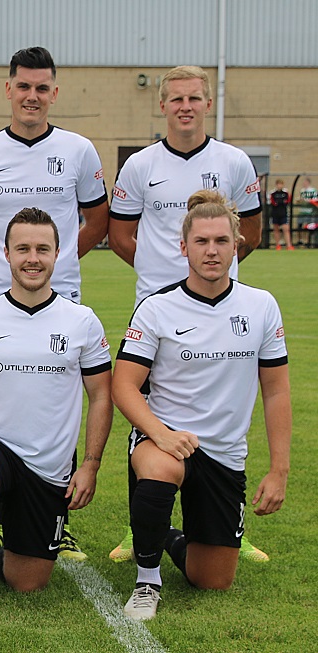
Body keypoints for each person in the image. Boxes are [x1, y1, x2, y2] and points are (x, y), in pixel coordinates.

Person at [0, 46, 108, 560]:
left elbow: (98, 219)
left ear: (54, 93)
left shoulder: (79, 151)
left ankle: (57, 517)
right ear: (8, 89)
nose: (31, 96)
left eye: (41, 88)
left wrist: (56, 262)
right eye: (23, 86)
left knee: (57, 404)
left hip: (59, 299)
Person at [107, 65, 266, 563]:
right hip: (158, 313)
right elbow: (119, 235)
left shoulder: (234, 162)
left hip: (220, 310)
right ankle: (139, 529)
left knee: (225, 410)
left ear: (208, 104)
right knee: (146, 415)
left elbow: (251, 232)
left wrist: (214, 273)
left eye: (194, 98)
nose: (185, 107)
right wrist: (164, 282)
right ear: (162, 105)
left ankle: (228, 523)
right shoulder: (140, 165)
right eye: (176, 99)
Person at [113, 190, 290, 621]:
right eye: (202, 241)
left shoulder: (261, 306)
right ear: (183, 247)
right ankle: (147, 581)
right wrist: (160, 434)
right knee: (160, 468)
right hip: (166, 439)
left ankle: (167, 536)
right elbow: (124, 385)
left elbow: (276, 391)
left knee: (212, 579)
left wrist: (279, 470)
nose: (212, 250)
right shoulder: (156, 308)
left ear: (237, 245)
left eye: (221, 241)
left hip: (225, 454)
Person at [0, 208, 112, 626]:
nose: (33, 258)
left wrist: (90, 464)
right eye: (23, 249)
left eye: (42, 249)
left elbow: (101, 395)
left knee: (28, 582)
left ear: (57, 254)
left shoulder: (82, 321)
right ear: (7, 254)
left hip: (49, 468)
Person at [269, 179, 292, 250]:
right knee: (276, 229)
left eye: (281, 184)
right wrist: (280, 202)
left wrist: (281, 202)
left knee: (286, 229)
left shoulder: (285, 193)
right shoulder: (273, 193)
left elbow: (287, 201)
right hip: (275, 214)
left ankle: (288, 245)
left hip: (283, 214)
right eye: (278, 184)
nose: (279, 186)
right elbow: (273, 203)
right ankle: (278, 245)